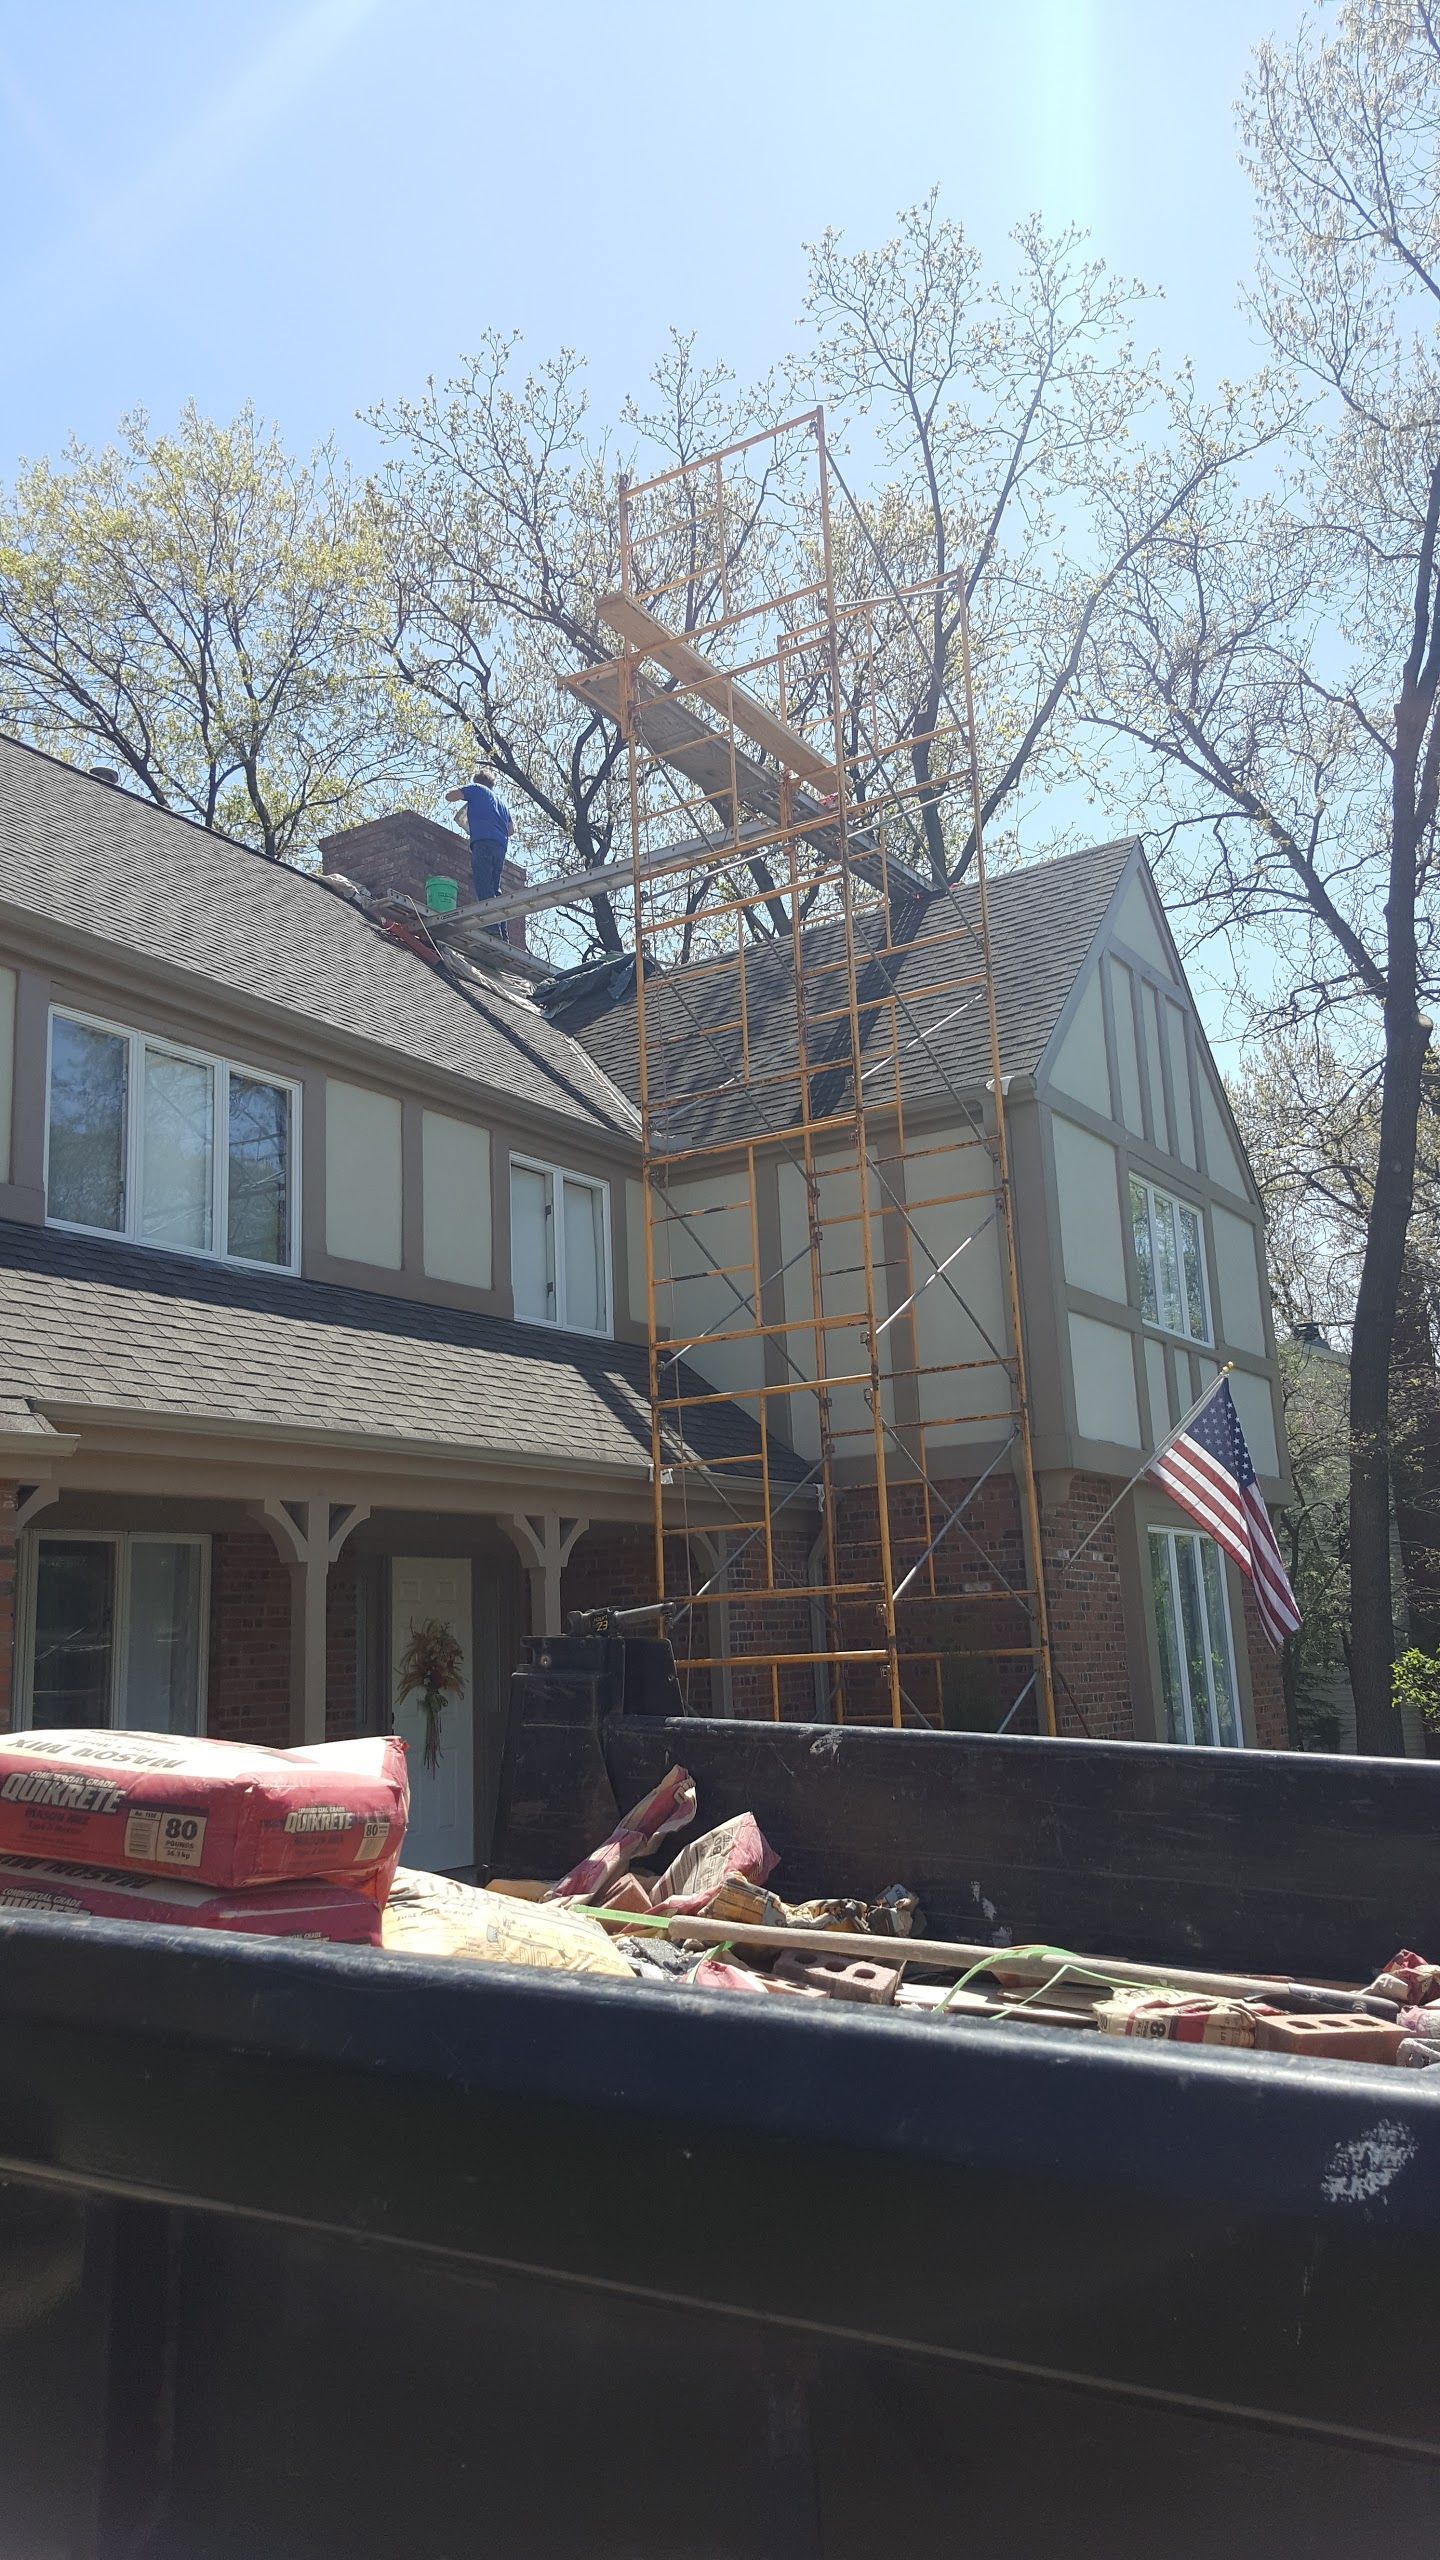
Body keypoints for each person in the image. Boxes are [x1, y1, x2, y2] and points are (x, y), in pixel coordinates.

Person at [445, 765, 515, 940]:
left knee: (483, 883)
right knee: (494, 888)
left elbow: (450, 796)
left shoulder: (477, 789)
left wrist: (465, 797)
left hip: (483, 841)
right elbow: (511, 830)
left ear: (477, 781)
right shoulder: (501, 804)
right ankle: (503, 932)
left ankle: (491, 927)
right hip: (500, 846)